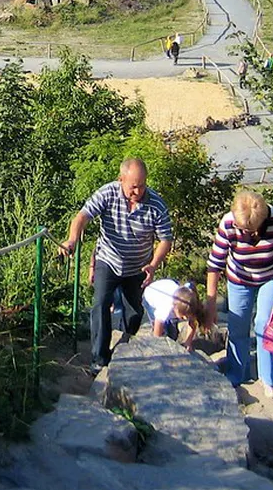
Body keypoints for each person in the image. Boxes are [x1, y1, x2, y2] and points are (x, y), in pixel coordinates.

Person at [58, 158, 174, 376]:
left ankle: (124, 350)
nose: (137, 191)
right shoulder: (107, 193)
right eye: (133, 186)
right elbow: (82, 216)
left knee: (134, 313)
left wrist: (153, 265)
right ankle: (98, 359)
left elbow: (165, 239)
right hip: (108, 260)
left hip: (138, 266)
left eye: (141, 185)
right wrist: (72, 239)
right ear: (121, 180)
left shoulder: (156, 203)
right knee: (101, 303)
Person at [206, 190, 273, 401]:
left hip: (272, 276)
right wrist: (211, 301)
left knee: (265, 324)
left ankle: (269, 379)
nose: (248, 234)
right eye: (244, 229)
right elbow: (215, 264)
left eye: (252, 230)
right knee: (238, 326)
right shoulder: (229, 224)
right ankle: (236, 375)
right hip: (239, 278)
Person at [141, 279, 212, 351]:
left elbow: (192, 322)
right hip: (150, 295)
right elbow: (158, 326)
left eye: (187, 316)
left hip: (172, 287)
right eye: (183, 316)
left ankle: (172, 339)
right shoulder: (165, 307)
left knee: (173, 333)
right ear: (174, 308)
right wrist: (157, 347)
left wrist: (188, 343)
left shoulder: (191, 303)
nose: (185, 318)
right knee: (163, 331)